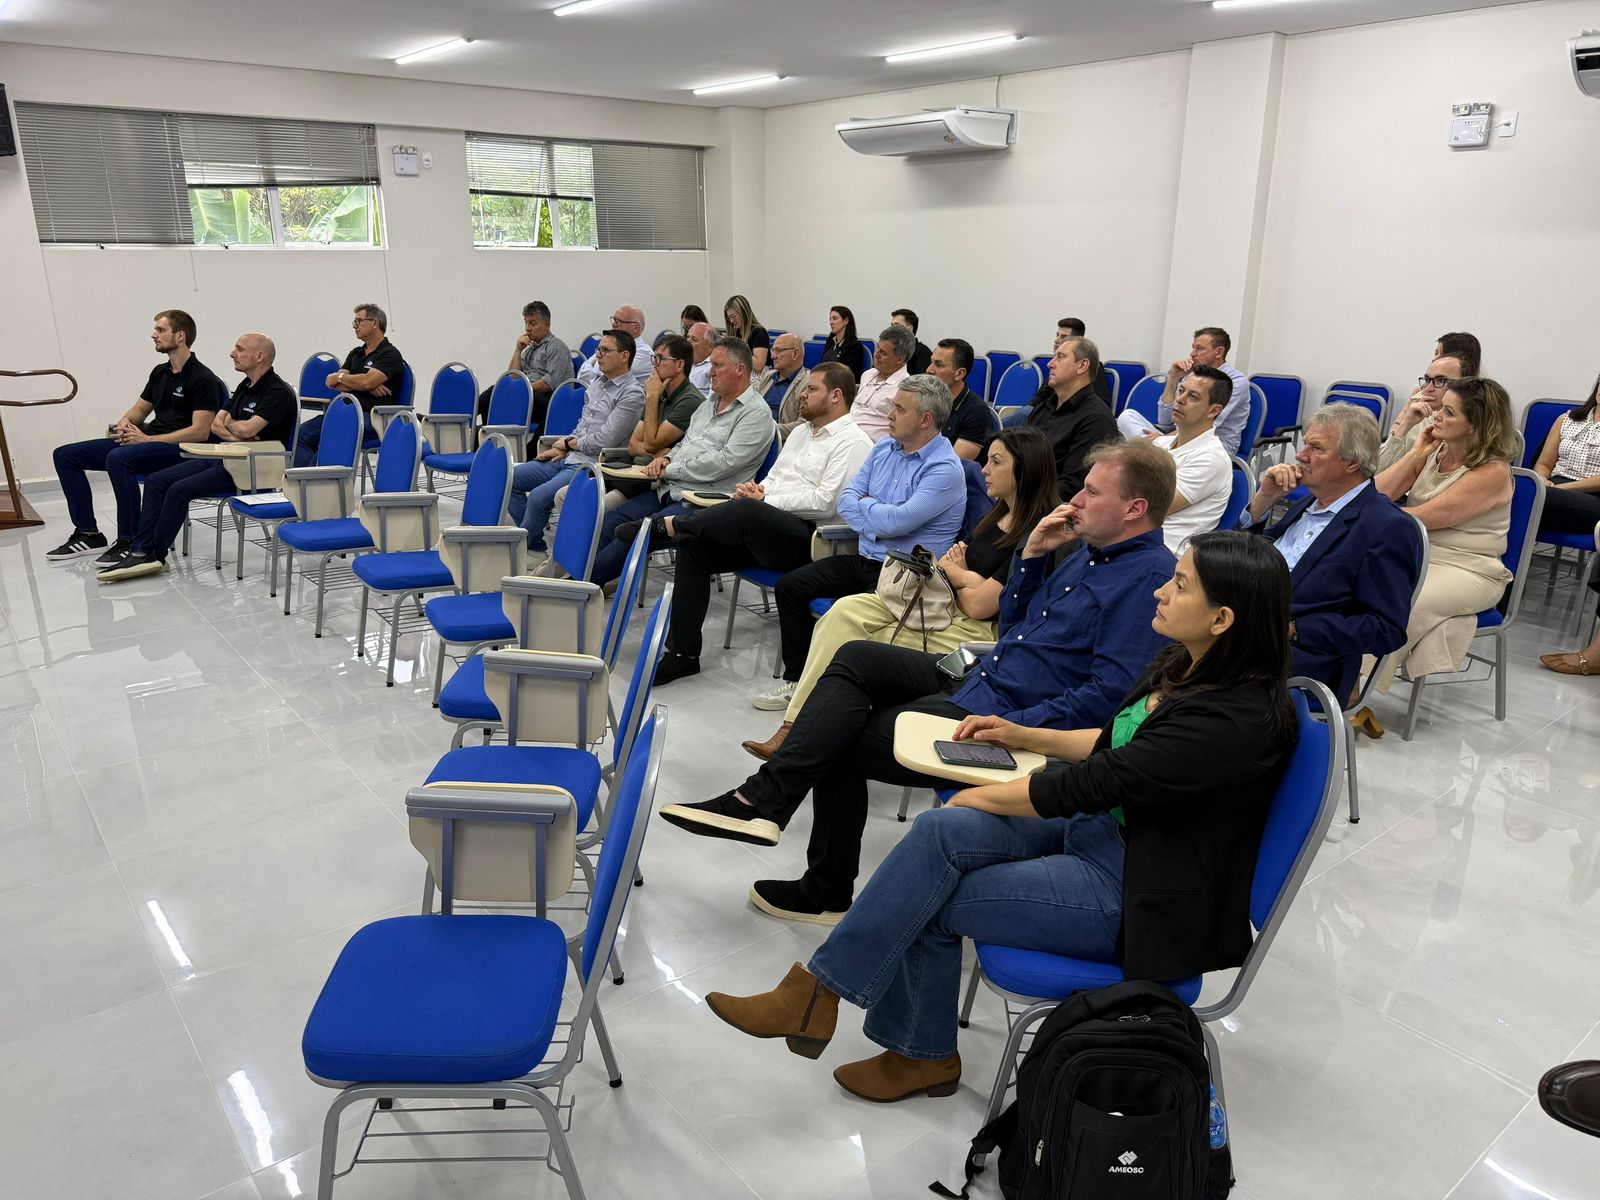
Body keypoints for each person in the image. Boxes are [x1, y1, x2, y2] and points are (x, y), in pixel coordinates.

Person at [699, 530, 1297, 1103]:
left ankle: (906, 1046)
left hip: (1140, 889)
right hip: (1110, 833)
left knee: (932, 891)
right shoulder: (1187, 665)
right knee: (940, 832)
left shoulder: (1232, 720)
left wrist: (982, 795)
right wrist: (1021, 733)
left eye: (1181, 585)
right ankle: (826, 1001)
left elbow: (1098, 781)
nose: (1162, 591)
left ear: (1222, 619)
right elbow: (1114, 741)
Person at [659, 439, 1179, 928]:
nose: (1076, 499)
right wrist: (1033, 557)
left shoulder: (1147, 579)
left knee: (840, 739)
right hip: (983, 674)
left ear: (1134, 509)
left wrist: (1017, 727)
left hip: (1007, 715)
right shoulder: (1088, 550)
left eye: (1092, 492)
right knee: (856, 657)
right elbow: (1017, 626)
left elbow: (1107, 700)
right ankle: (764, 804)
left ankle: (815, 878)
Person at [741, 426, 1060, 760]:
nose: (984, 470)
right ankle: (795, 725)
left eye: (996, 462)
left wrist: (960, 575)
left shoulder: (1036, 535)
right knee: (843, 612)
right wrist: (971, 579)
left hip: (973, 631)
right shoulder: (996, 515)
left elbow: (980, 606)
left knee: (853, 644)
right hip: (939, 604)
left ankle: (801, 735)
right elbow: (951, 567)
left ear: (1025, 470)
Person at [744, 375, 967, 713]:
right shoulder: (883, 447)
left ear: (925, 419)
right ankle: (797, 680)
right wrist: (878, 519)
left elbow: (897, 522)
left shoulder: (944, 469)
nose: (889, 414)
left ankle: (829, 692)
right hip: (866, 559)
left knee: (843, 614)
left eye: (899, 409)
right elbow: (847, 500)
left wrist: (870, 511)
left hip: (908, 578)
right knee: (791, 587)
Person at [650, 361, 874, 686]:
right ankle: (682, 655)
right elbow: (775, 478)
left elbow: (827, 502)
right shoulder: (801, 432)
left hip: (813, 541)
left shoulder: (853, 443)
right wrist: (757, 491)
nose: (803, 395)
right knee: (694, 547)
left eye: (812, 389)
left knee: (748, 511)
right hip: (768, 530)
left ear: (836, 396)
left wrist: (765, 501)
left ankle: (671, 527)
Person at [1242, 403, 1420, 707]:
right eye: (1305, 445)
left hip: (1300, 658)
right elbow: (1240, 557)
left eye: (1316, 448)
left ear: (1351, 462)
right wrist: (1264, 498)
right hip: (1246, 626)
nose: (1301, 455)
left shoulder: (1386, 527)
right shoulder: (1309, 503)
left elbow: (1385, 629)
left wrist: (1293, 629)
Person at [96, 334, 297, 582]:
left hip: (253, 467)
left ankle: (153, 555)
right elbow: (216, 425)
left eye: (239, 349)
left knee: (178, 490)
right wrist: (239, 432)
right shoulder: (246, 386)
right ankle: (141, 549)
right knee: (157, 481)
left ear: (259, 356)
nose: (232, 354)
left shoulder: (277, 391)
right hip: (226, 457)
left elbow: (246, 429)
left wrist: (236, 428)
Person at [1367, 377, 1516, 692]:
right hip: (1420, 556)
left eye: (1449, 413)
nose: (1436, 416)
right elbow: (1376, 494)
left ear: (1476, 425)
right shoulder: (1436, 451)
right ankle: (1333, 675)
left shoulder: (1493, 472)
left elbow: (1424, 518)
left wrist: (1368, 514)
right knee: (1355, 584)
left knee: (1401, 603)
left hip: (1469, 569)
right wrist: (1416, 452)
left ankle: (1358, 692)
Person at [592, 337, 774, 584]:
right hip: (671, 489)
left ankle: (582, 587)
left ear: (740, 369)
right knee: (612, 520)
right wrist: (666, 458)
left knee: (637, 534)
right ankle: (584, 585)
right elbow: (686, 443)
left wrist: (671, 469)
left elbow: (725, 462)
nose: (710, 372)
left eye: (717, 365)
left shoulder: (756, 413)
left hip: (704, 503)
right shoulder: (708, 405)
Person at [47, 309, 223, 565]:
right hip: (149, 441)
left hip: (181, 449)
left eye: (160, 330)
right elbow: (139, 411)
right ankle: (88, 534)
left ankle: (129, 540)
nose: (154, 335)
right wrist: (125, 424)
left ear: (180, 336)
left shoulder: (203, 378)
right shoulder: (160, 373)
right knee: (65, 456)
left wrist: (146, 441)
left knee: (119, 458)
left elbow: (200, 432)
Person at [509, 329, 645, 552]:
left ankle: (526, 549)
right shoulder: (597, 384)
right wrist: (564, 448)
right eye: (598, 350)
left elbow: (606, 439)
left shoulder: (632, 393)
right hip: (571, 455)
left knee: (538, 497)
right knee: (511, 478)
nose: (598, 355)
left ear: (624, 356)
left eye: (605, 350)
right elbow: (583, 426)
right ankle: (533, 544)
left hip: (594, 464)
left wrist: (568, 444)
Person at [1534, 372, 1600, 676]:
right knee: (1521, 499)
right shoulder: (1567, 420)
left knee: (1521, 501)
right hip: (1551, 491)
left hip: (1590, 499)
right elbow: (1544, 463)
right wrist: (1541, 481)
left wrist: (1559, 490)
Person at [294, 302, 405, 468]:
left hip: (372, 419)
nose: (355, 326)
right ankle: (301, 479)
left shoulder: (390, 354)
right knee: (301, 434)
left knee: (333, 434)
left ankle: (317, 479)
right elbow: (332, 382)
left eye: (359, 321)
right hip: (344, 413)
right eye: (354, 322)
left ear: (374, 323)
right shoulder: (356, 353)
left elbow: (365, 381)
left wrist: (357, 381)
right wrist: (364, 384)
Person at [1119, 327, 1248, 455]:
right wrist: (1173, 378)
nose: (1192, 353)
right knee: (1127, 416)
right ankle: (1152, 453)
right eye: (1193, 348)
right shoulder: (1193, 375)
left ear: (1219, 352)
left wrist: (1162, 439)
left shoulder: (1235, 382)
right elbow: (1165, 421)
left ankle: (1151, 452)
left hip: (1212, 444)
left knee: (1137, 448)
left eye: (1200, 348)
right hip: (1176, 436)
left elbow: (1204, 426)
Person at [1150, 365, 1235, 554]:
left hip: (1165, 553)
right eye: (1181, 391)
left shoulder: (1211, 458)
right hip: (1134, 541)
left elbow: (1152, 507)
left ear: (1213, 411)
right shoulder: (1160, 444)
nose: (1180, 399)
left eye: (1193, 397)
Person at [1026, 334, 1119, 498]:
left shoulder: (1096, 419)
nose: (1050, 364)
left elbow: (1073, 487)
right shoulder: (1043, 409)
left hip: (1050, 505)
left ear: (1082, 366)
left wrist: (1020, 494)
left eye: (1060, 357)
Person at [477, 300, 573, 427]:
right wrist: (518, 350)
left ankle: (471, 415)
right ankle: (484, 428)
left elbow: (549, 383)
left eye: (532, 323)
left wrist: (521, 389)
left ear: (547, 325)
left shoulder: (556, 347)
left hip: (551, 401)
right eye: (526, 323)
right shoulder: (528, 350)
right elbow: (513, 377)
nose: (528, 328)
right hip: (529, 395)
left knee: (504, 393)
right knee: (495, 391)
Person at [1376, 351, 1469, 472]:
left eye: (1440, 380)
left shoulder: (1466, 430)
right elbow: (1378, 470)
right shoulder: (1419, 418)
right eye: (1427, 380)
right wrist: (1406, 425)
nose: (1428, 389)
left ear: (1464, 384)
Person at [925, 338, 994, 461]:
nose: (929, 370)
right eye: (931, 362)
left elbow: (953, 465)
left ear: (959, 374)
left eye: (939, 365)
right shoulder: (925, 399)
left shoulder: (977, 412)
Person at [850, 325, 914, 442]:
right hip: (846, 434)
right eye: (878, 348)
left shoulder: (905, 389)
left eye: (883, 352)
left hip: (870, 444)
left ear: (900, 359)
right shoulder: (868, 375)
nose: (876, 354)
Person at [1032, 318, 1112, 407]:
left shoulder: (1092, 366)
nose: (1056, 340)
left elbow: (1102, 403)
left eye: (1063, 337)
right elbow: (1040, 396)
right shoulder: (1055, 363)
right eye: (1057, 335)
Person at [577, 304, 651, 385]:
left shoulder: (645, 354)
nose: (613, 324)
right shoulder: (609, 345)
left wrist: (595, 363)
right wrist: (602, 366)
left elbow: (613, 375)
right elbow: (582, 373)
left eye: (619, 321)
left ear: (635, 327)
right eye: (614, 320)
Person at [765, 333, 811, 437]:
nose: (773, 356)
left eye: (778, 350)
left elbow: (804, 425)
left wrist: (766, 431)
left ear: (795, 353)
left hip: (783, 442)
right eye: (772, 350)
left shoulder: (808, 383)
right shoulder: (768, 377)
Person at [723, 294, 771, 373]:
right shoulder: (736, 333)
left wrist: (734, 348)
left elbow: (759, 367)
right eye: (729, 318)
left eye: (733, 316)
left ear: (744, 313)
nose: (731, 321)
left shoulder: (759, 332)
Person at [820, 306, 866, 381]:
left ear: (846, 321)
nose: (831, 322)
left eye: (835, 319)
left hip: (841, 383)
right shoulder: (830, 341)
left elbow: (848, 374)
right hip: (826, 380)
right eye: (830, 319)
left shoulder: (855, 346)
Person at [889, 308, 932, 376]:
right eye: (892, 325)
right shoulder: (890, 349)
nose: (891, 329)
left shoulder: (923, 353)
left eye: (896, 325)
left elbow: (923, 380)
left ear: (910, 329)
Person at [685, 321, 716, 393]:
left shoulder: (713, 367)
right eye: (688, 337)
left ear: (710, 346)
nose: (687, 342)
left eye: (694, 339)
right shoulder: (684, 362)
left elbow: (713, 398)